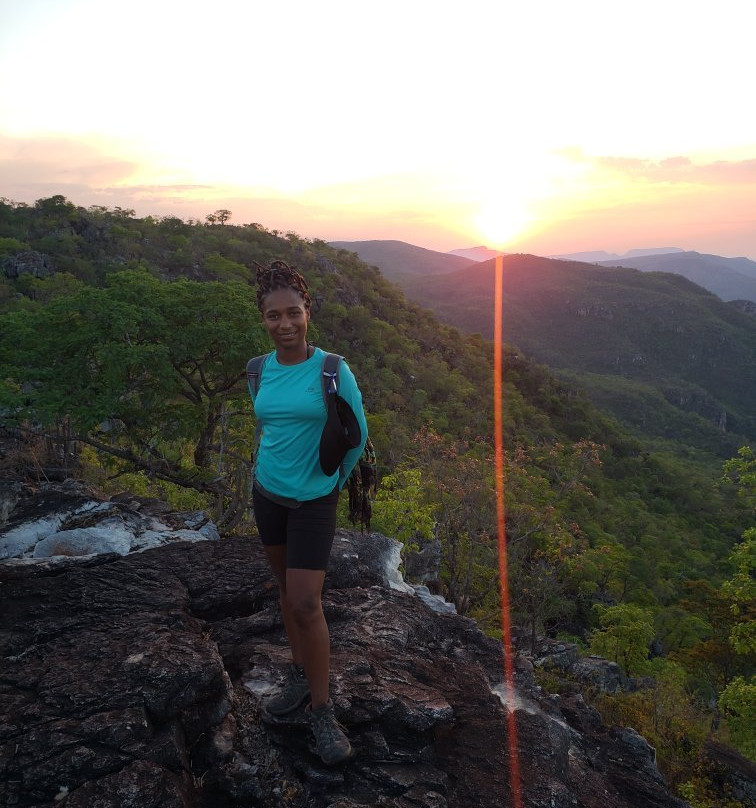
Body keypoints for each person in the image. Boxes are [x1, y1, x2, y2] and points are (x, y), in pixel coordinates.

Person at [249, 260, 367, 766]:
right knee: (284, 589)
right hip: (268, 493)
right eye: (274, 316)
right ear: (263, 319)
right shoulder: (257, 371)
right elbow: (269, 428)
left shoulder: (332, 370)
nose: (285, 324)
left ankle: (322, 709)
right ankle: (298, 674)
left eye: (293, 313)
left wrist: (331, 485)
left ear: (307, 312)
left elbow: (355, 436)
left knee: (306, 602)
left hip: (315, 499)